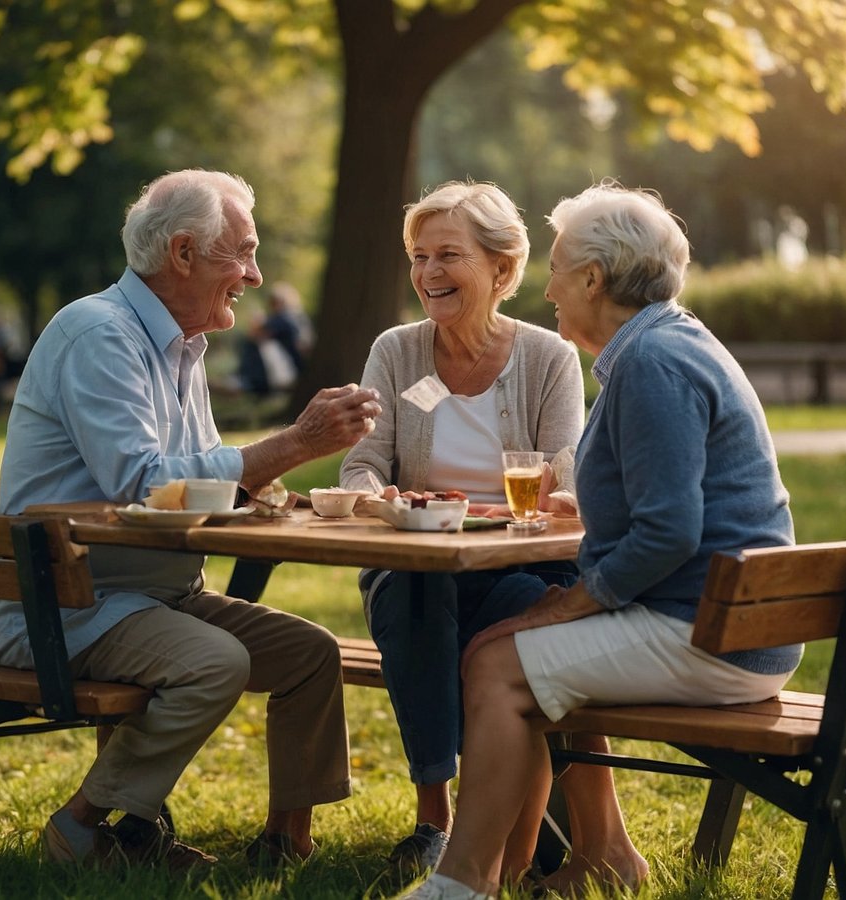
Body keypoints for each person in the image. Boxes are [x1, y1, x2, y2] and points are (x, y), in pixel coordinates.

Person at [403, 181, 802, 900]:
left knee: (495, 666)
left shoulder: (652, 364)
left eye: (557, 270)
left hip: (714, 634)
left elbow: (670, 532)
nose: (549, 290)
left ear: (594, 277)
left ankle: (461, 886)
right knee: (501, 653)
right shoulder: (668, 343)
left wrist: (576, 603)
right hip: (736, 623)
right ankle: (575, 859)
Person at [0, 169, 382, 872]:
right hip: (68, 604)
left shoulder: (180, 346)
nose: (254, 276)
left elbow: (191, 476)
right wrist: (295, 443)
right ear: (185, 254)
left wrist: (258, 484)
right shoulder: (97, 334)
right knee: (215, 661)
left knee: (311, 653)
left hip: (154, 595)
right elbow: (142, 483)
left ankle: (284, 845)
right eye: (244, 253)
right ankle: (82, 827)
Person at [338, 181, 585, 878]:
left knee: (509, 620)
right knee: (415, 595)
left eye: (449, 255)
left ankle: (503, 835)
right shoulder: (399, 352)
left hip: (522, 563)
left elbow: (566, 480)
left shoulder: (547, 358)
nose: (428, 274)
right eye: (419, 257)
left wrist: (513, 510)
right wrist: (375, 496)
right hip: (417, 555)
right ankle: (435, 817)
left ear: (502, 270)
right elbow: (361, 464)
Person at [232, 281, 314, 395]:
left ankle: (246, 379)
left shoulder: (283, 319)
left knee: (257, 344)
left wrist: (257, 320)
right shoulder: (299, 318)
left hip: (287, 371)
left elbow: (254, 333)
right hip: (294, 369)